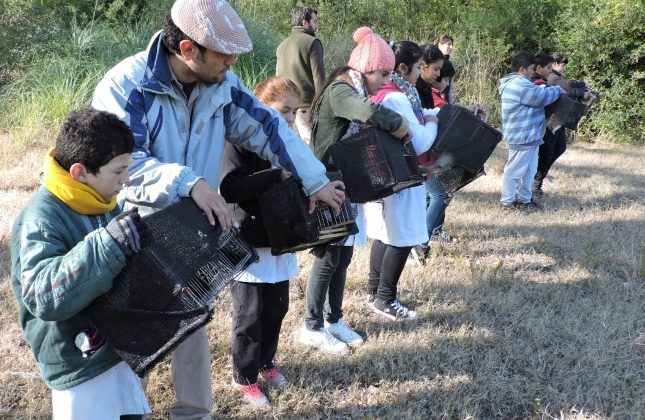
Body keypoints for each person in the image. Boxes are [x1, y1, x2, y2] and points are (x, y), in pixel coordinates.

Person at [91, 1, 345, 418]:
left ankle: (193, 413)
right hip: (135, 230)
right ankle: (125, 410)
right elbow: (121, 165)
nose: (232, 63)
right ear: (189, 49)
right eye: (223, 54)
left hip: (193, 231)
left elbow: (269, 128)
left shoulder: (224, 86)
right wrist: (190, 182)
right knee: (133, 337)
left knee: (192, 328)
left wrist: (313, 179)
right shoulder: (127, 86)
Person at [10, 108, 153, 419]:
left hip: (115, 350)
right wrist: (107, 246)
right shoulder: (41, 218)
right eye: (118, 172)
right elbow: (42, 295)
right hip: (79, 364)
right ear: (80, 172)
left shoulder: (100, 199)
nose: (126, 180)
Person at [298, 26, 411, 352]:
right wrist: (398, 123)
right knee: (328, 257)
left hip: (347, 184)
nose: (386, 80)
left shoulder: (353, 88)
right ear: (365, 68)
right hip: (328, 184)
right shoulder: (341, 91)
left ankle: (334, 319)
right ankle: (312, 325)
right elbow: (368, 113)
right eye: (383, 73)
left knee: (343, 256)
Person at [219, 76, 300, 408]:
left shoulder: (289, 139)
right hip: (248, 238)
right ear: (263, 106)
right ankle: (245, 376)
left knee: (277, 308)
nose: (291, 118)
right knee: (249, 314)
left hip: (279, 237)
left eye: (296, 112)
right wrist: (273, 176)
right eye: (284, 110)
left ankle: (265, 362)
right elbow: (230, 186)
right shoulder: (237, 138)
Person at [366, 41, 438, 319]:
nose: (421, 73)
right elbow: (419, 142)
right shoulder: (396, 97)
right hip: (401, 174)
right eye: (419, 67)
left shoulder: (380, 93)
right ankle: (385, 298)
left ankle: (374, 292)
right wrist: (432, 122)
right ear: (403, 68)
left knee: (384, 234)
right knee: (402, 236)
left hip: (382, 173)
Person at [498, 51, 563, 210]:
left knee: (530, 170)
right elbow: (540, 96)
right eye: (531, 69)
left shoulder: (520, 82)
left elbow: (539, 93)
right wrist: (559, 90)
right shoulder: (517, 84)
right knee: (515, 170)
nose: (533, 72)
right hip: (522, 135)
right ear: (522, 69)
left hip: (530, 135)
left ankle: (525, 200)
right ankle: (507, 201)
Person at [533, 53, 590, 196]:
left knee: (559, 148)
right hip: (549, 121)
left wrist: (579, 87)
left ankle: (538, 179)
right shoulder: (550, 77)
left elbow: (566, 85)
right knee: (547, 153)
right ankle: (535, 184)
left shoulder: (555, 77)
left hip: (558, 120)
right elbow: (562, 86)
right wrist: (578, 90)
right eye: (561, 65)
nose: (563, 68)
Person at [276, 5, 325, 142]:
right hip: (305, 107)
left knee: (292, 148)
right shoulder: (312, 42)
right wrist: (324, 107)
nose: (316, 26)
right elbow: (319, 80)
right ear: (305, 23)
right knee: (312, 148)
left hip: (284, 107)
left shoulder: (282, 45)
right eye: (314, 22)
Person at [434, 35, 455, 103]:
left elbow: (449, 89)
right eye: (448, 44)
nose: (451, 47)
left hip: (444, 100)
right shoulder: (432, 61)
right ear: (440, 45)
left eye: (452, 45)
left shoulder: (448, 63)